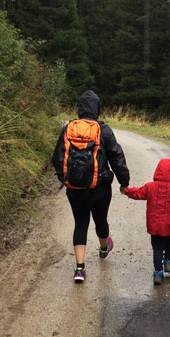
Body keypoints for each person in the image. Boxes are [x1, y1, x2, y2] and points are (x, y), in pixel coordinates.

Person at [52, 90, 130, 283]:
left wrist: (66, 178)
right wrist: (124, 182)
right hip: (100, 188)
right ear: (97, 108)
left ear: (80, 108)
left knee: (80, 223)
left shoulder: (68, 128)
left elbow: (57, 157)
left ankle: (79, 268)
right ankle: (104, 248)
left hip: (75, 188)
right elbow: (116, 157)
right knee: (100, 220)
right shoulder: (103, 130)